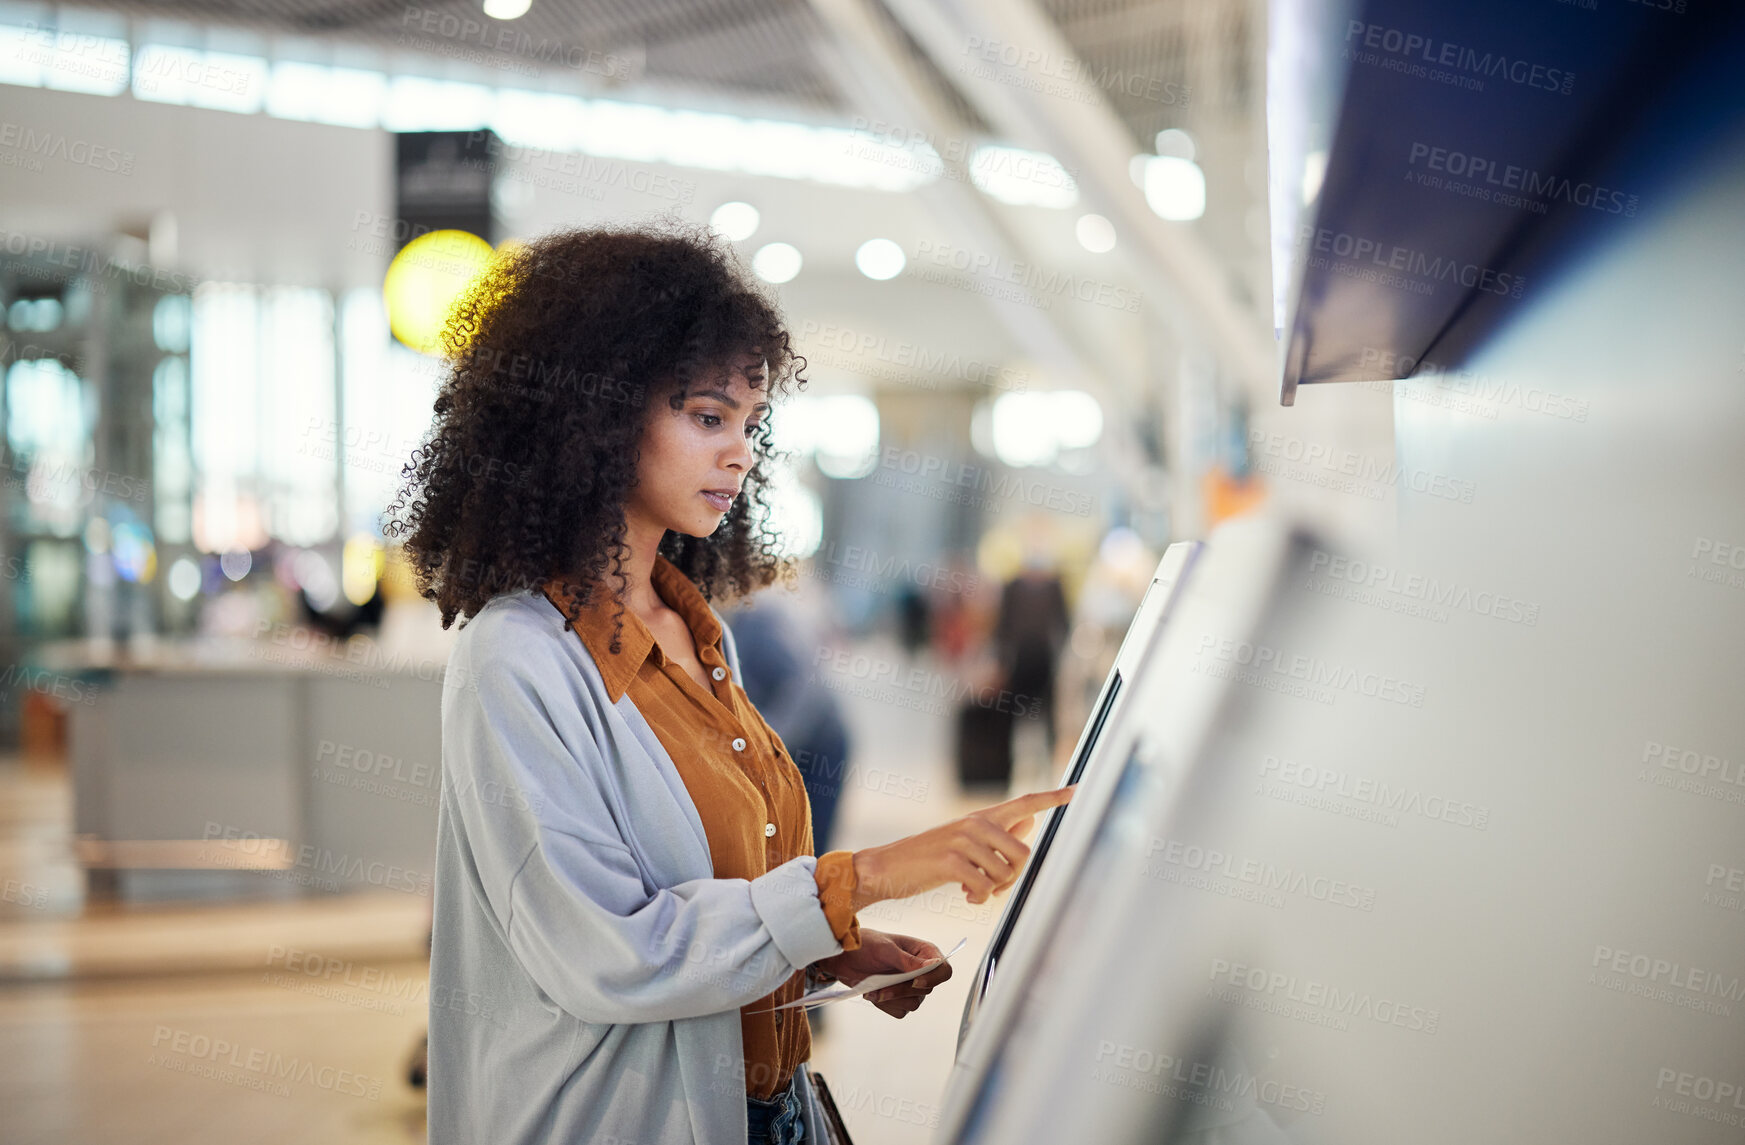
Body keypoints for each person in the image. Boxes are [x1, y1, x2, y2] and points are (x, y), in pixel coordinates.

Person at [384, 223, 1074, 1145]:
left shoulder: (700, 635)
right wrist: (861, 879)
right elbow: (607, 950)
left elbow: (707, 897)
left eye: (749, 424)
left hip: (771, 1112)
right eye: (708, 417)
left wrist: (826, 953)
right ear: (595, 415)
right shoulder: (516, 658)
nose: (740, 453)